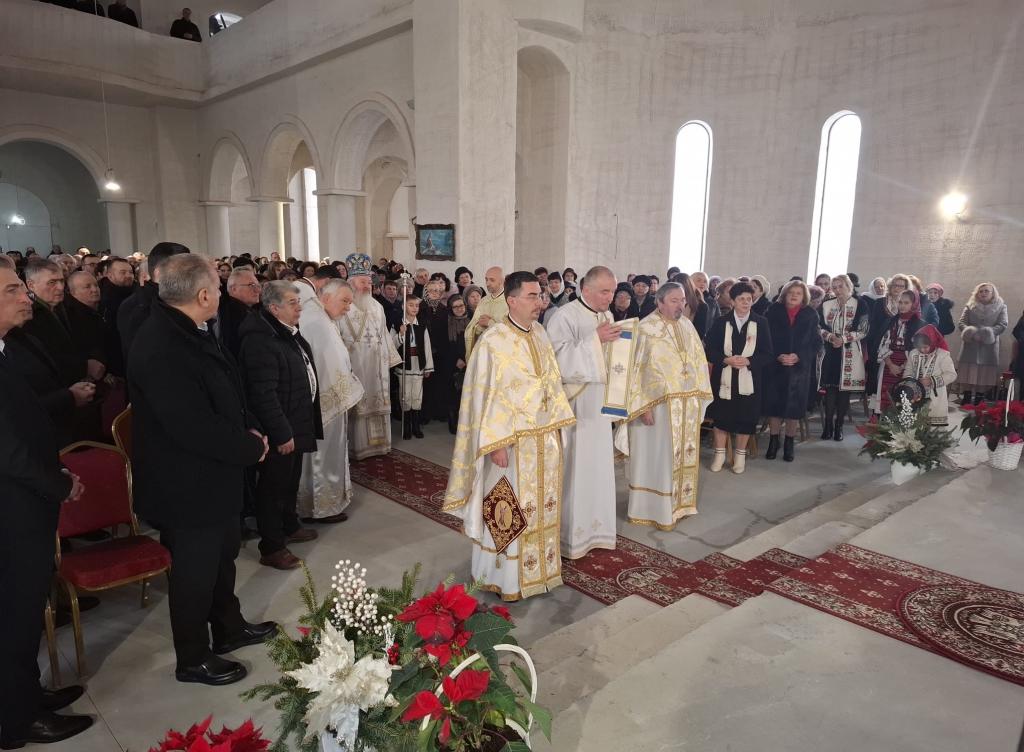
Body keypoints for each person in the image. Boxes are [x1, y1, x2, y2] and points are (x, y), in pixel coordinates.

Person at [128, 255, 275, 686]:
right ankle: (192, 657)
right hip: (186, 483)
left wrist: (248, 430)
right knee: (195, 572)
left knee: (222, 557)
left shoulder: (187, 328)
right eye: (218, 286)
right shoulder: (161, 344)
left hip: (213, 475)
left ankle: (228, 628)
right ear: (204, 294)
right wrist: (249, 446)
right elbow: (191, 425)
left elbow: (223, 392)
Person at [0, 266, 94, 748]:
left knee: (25, 612)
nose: (26, 297)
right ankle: (16, 721)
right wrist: (58, 484)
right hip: (11, 513)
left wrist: (55, 471)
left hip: (25, 504)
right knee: (13, 618)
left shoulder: (6, 349)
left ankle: (29, 696)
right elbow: (9, 452)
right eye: (12, 289)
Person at [442, 272, 575, 601]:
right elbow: (483, 395)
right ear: (512, 301)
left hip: (543, 438)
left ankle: (540, 572)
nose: (539, 302)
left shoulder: (540, 333)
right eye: (532, 296)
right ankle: (503, 577)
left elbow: (551, 381)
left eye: (540, 296)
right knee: (507, 506)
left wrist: (557, 423)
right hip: (510, 443)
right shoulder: (493, 341)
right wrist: (495, 443)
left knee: (540, 506)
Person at [239, 281, 323, 571]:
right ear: (274, 308)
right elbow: (263, 394)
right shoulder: (260, 340)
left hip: (295, 420)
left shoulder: (285, 332)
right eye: (292, 303)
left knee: (290, 482)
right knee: (273, 489)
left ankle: (289, 525)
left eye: (298, 301)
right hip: (280, 428)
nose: (299, 307)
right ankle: (272, 547)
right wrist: (281, 433)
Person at [616, 282, 712, 526]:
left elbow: (699, 362)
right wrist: (642, 407)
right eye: (674, 301)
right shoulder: (646, 329)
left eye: (682, 301)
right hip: (656, 408)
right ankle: (651, 510)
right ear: (659, 302)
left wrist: (698, 395)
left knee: (680, 457)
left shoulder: (687, 326)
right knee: (657, 460)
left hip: (686, 406)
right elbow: (634, 371)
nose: (680, 305)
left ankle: (679, 505)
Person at [545, 266, 620, 557]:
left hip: (600, 405)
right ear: (586, 290)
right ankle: (570, 536)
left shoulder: (607, 316)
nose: (610, 297)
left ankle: (596, 529)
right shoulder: (564, 316)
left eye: (612, 291)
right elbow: (555, 361)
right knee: (575, 469)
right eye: (604, 291)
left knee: (598, 467)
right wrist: (594, 340)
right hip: (576, 406)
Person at [297, 279, 363, 523]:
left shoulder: (322, 318)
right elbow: (328, 366)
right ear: (325, 298)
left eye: (350, 302)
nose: (348, 307)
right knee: (321, 455)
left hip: (325, 403)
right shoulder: (318, 323)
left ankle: (316, 504)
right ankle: (320, 507)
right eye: (344, 301)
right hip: (326, 405)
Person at [338, 254, 402, 459]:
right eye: (362, 282)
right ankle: (356, 448)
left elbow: (383, 334)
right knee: (358, 403)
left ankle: (380, 446)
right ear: (351, 283)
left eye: (368, 282)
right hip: (355, 364)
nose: (367, 286)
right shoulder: (342, 306)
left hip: (377, 365)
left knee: (377, 400)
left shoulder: (377, 306)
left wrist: (390, 356)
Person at [705, 282, 774, 473]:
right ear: (733, 301)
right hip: (724, 378)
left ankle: (740, 456)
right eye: (741, 299)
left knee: (746, 418)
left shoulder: (761, 322)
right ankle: (719, 455)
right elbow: (709, 350)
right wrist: (725, 359)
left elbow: (768, 354)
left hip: (749, 379)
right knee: (721, 417)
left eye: (749, 299)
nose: (745, 302)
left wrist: (749, 361)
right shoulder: (721, 322)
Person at [763, 281, 820, 462]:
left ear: (804, 297)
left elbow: (816, 343)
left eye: (798, 293)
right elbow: (764, 339)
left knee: (793, 408)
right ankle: (773, 441)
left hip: (799, 369)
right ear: (784, 295)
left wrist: (799, 356)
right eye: (791, 292)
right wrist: (777, 356)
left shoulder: (810, 314)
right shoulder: (772, 312)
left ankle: (789, 442)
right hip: (775, 366)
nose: (794, 295)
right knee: (774, 407)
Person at [118, 242, 191, 364]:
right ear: (159, 273)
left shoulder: (178, 298)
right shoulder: (136, 306)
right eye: (182, 269)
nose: (190, 275)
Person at [818, 274, 870, 440]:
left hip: (850, 351)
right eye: (835, 287)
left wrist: (844, 339)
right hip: (830, 350)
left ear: (849, 287)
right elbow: (818, 326)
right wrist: (830, 337)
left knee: (844, 391)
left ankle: (839, 426)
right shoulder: (826, 304)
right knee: (830, 389)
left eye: (841, 286)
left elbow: (863, 329)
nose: (838, 290)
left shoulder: (860, 304)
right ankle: (828, 426)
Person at [956, 282, 1009, 405]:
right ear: (977, 293)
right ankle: (967, 395)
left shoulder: (1001, 306)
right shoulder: (970, 306)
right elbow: (961, 323)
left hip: (989, 345)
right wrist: (971, 332)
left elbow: (1002, 324)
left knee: (985, 372)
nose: (983, 293)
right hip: (971, 343)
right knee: (968, 369)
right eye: (981, 291)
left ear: (993, 293)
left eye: (986, 291)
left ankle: (980, 396)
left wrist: (987, 333)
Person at [874, 289, 924, 414]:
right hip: (888, 363)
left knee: (905, 397)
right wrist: (891, 365)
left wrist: (902, 367)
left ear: (914, 304)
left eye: (906, 303)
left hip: (909, 366)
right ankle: (884, 422)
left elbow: (919, 350)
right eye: (900, 302)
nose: (902, 306)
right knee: (886, 394)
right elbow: (883, 343)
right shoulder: (891, 321)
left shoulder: (920, 325)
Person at [392, 295, 434, 440]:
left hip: (418, 364)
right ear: (404, 306)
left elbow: (427, 346)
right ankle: (406, 427)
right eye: (411, 305)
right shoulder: (397, 324)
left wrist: (428, 367)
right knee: (405, 395)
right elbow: (392, 346)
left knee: (417, 395)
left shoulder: (422, 325)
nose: (414, 308)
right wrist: (401, 334)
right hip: (405, 365)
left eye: (416, 305)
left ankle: (416, 426)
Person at [904, 325, 957, 426]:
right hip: (915, 396)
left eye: (925, 347)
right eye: (919, 347)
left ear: (932, 342)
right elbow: (908, 371)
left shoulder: (942, 355)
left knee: (933, 428)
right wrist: (910, 385)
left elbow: (951, 374)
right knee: (914, 427)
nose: (922, 350)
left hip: (935, 396)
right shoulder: (913, 354)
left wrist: (932, 380)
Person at [217, 267, 261, 358]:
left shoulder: (246, 311)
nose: (258, 290)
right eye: (251, 285)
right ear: (234, 289)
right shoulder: (236, 314)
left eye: (258, 285)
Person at [464, 266, 508, 355]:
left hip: (502, 353)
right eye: (486, 279)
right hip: (483, 352)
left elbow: (513, 331)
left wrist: (490, 323)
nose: (487, 283)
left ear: (502, 281)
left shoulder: (510, 301)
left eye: (492, 280)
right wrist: (478, 327)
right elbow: (471, 328)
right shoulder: (483, 301)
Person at [443, 295, 470, 434]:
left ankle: (465, 422)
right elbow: (443, 345)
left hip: (468, 362)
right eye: (455, 307)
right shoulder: (446, 322)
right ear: (451, 309)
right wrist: (456, 360)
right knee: (453, 395)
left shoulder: (471, 321)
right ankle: (453, 421)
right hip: (451, 363)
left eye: (461, 305)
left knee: (466, 395)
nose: (459, 309)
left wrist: (465, 359)